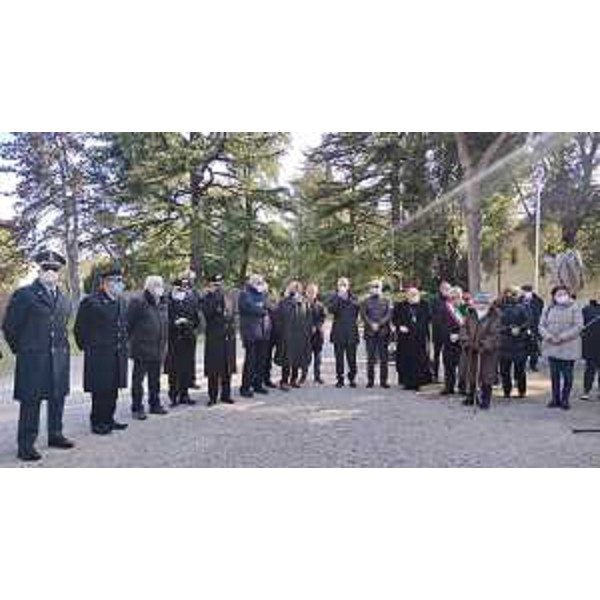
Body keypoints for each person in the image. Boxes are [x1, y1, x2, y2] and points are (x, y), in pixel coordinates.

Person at [2, 251, 75, 461]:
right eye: (46, 268)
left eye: (54, 269)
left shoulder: (64, 298)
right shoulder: (25, 294)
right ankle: (26, 445)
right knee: (31, 401)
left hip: (58, 357)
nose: (50, 272)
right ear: (39, 270)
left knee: (57, 397)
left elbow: (63, 326)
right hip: (33, 358)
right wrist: (23, 350)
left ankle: (56, 434)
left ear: (59, 272)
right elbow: (10, 327)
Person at [74, 264, 129, 435]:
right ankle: (97, 422)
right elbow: (79, 329)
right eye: (117, 281)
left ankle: (109, 419)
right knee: (100, 390)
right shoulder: (91, 302)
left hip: (117, 353)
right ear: (106, 282)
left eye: (121, 281)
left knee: (113, 389)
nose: (120, 284)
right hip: (99, 354)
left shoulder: (120, 301)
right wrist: (89, 348)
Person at [126, 276, 169, 419]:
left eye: (161, 284)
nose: (159, 287)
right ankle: (137, 408)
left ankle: (155, 404)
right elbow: (128, 325)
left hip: (158, 348)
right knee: (138, 381)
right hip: (141, 349)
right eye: (156, 285)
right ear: (148, 287)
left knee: (155, 380)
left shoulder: (162, 302)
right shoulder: (138, 302)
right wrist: (131, 344)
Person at [539, 286, 584, 410]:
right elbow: (541, 325)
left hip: (569, 347)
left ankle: (565, 399)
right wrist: (549, 337)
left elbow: (579, 326)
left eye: (564, 293)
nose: (562, 296)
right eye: (559, 294)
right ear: (554, 296)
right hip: (551, 346)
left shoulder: (575, 307)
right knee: (554, 376)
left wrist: (562, 337)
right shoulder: (548, 308)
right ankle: (555, 399)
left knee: (568, 376)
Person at [459, 292, 502, 409]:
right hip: (471, 350)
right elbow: (463, 329)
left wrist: (483, 345)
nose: (481, 305)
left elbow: (494, 333)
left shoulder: (495, 316)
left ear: (489, 304)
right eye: (478, 302)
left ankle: (485, 399)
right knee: (471, 373)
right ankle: (472, 396)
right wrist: (467, 342)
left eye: (484, 303)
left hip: (487, 352)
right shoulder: (470, 314)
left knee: (486, 375)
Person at [164, 277, 201, 407]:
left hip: (188, 338)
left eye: (183, 288)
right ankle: (173, 396)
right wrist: (174, 323)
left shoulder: (191, 300)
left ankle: (184, 395)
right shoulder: (167, 301)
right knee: (174, 370)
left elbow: (197, 320)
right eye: (178, 287)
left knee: (186, 368)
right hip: (174, 339)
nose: (181, 290)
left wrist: (187, 323)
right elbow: (163, 320)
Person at [202, 274, 236, 406]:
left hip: (227, 335)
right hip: (214, 337)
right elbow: (207, 313)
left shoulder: (227, 296)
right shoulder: (207, 297)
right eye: (216, 284)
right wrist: (214, 296)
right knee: (213, 368)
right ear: (210, 285)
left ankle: (226, 395)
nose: (219, 287)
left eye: (220, 284)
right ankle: (212, 396)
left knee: (227, 367)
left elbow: (231, 313)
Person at [238, 274, 271, 398]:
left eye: (261, 282)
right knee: (250, 362)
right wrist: (262, 309)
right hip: (250, 333)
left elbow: (268, 306)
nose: (260, 284)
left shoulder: (262, 294)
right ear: (251, 282)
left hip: (263, 332)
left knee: (261, 361)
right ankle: (245, 387)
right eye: (258, 282)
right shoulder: (245, 294)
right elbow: (249, 308)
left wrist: (262, 307)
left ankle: (258, 384)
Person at [393, 287, 431, 391]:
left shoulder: (425, 305)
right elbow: (395, 319)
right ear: (407, 295)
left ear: (418, 295)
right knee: (406, 361)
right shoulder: (400, 306)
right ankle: (407, 382)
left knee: (420, 361)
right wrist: (399, 326)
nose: (413, 296)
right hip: (405, 339)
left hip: (419, 338)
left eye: (415, 294)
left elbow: (428, 319)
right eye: (410, 294)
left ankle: (419, 382)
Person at [277, 281, 312, 390]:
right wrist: (281, 333)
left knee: (297, 357)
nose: (295, 290)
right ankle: (284, 381)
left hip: (300, 335)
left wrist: (307, 333)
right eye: (293, 288)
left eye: (297, 288)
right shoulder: (284, 302)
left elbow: (308, 318)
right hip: (287, 334)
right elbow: (279, 319)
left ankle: (294, 379)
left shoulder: (304, 302)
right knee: (286, 358)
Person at [498, 286, 530, 399]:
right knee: (504, 370)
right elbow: (496, 324)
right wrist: (508, 329)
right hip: (504, 343)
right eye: (508, 293)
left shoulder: (523, 307)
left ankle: (522, 390)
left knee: (520, 370)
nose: (510, 296)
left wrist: (520, 329)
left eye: (513, 294)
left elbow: (528, 322)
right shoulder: (499, 308)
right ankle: (507, 390)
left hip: (519, 343)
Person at [328, 277, 360, 388]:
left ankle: (352, 378)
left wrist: (346, 298)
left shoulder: (354, 297)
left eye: (344, 284)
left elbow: (356, 309)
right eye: (340, 284)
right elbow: (331, 310)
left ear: (348, 286)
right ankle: (340, 379)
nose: (342, 286)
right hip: (338, 332)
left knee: (352, 358)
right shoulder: (334, 297)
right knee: (339, 358)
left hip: (351, 332)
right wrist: (339, 298)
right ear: (337, 286)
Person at [360, 280, 392, 389]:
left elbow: (389, 314)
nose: (375, 288)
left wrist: (379, 324)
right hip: (370, 333)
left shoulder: (387, 300)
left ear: (381, 288)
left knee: (384, 358)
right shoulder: (365, 301)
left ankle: (384, 381)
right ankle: (370, 381)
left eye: (377, 286)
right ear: (370, 288)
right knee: (371, 358)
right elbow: (363, 315)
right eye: (373, 287)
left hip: (383, 333)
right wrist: (371, 324)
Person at [440, 286, 464, 396]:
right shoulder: (445, 309)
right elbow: (441, 324)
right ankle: (449, 386)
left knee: (463, 366)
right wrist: (449, 335)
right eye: (453, 297)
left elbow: (469, 326)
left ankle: (463, 387)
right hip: (449, 340)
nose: (455, 299)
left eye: (457, 297)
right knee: (449, 365)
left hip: (463, 341)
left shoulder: (465, 309)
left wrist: (460, 335)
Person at [302, 283, 326, 384]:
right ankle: (303, 376)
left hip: (317, 335)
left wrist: (316, 326)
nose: (311, 294)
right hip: (305, 335)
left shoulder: (320, 305)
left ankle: (317, 376)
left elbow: (323, 318)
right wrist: (307, 327)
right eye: (309, 291)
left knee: (318, 358)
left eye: (313, 292)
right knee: (305, 357)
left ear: (316, 293)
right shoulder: (302, 304)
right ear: (306, 292)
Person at [430, 280, 452, 383]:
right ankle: (435, 375)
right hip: (437, 331)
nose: (446, 290)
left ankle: (448, 377)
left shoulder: (451, 300)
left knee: (448, 356)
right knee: (436, 355)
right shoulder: (434, 300)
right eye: (445, 288)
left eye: (448, 289)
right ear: (440, 289)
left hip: (449, 332)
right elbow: (431, 315)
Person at [521, 284, 545, 372]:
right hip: (523, 327)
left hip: (535, 327)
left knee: (534, 349)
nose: (526, 293)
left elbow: (540, 313)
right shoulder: (519, 300)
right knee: (523, 348)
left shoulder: (538, 301)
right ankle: (522, 365)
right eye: (525, 291)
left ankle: (533, 365)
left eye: (528, 291)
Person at [581, 296, 600, 401]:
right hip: (591, 346)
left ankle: (595, 392)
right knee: (590, 370)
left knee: (590, 369)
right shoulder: (587, 309)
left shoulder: (587, 309)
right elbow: (580, 326)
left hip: (591, 345)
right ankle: (586, 391)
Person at [263, 291, 281, 389]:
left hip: (275, 336)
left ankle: (267, 379)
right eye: (272, 298)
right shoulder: (266, 308)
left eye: (275, 298)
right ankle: (263, 379)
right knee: (264, 359)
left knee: (268, 359)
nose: (274, 299)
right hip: (266, 336)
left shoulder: (278, 308)